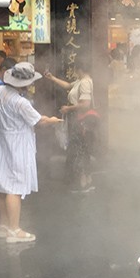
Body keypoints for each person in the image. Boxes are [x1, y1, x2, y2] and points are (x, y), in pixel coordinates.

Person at [0, 62, 62, 242]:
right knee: (14, 187)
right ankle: (14, 230)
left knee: (2, 186)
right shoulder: (20, 102)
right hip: (17, 145)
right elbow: (39, 121)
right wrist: (53, 120)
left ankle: (4, 226)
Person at [44, 61, 97, 193]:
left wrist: (68, 108)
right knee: (79, 148)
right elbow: (68, 85)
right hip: (77, 118)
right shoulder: (81, 81)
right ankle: (84, 181)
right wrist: (52, 78)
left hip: (80, 119)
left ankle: (82, 183)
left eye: (75, 69)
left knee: (79, 149)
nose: (74, 71)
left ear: (80, 69)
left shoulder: (85, 82)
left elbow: (85, 104)